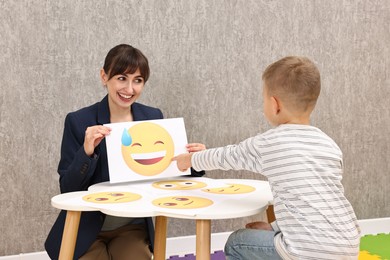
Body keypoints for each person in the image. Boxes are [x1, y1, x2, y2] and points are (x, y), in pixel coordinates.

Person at [173, 56, 361, 259]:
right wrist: (273, 228)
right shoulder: (329, 144)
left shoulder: (270, 142)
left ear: (275, 105)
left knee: (237, 242)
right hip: (348, 245)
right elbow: (315, 203)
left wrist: (191, 159)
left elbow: (227, 156)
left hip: (306, 251)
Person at [45, 44, 205, 260]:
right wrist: (86, 152)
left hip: (131, 226)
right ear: (104, 77)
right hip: (87, 228)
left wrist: (195, 161)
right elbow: (68, 188)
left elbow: (167, 170)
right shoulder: (79, 121)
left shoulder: (152, 117)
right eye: (122, 78)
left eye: (137, 80)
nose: (129, 89)